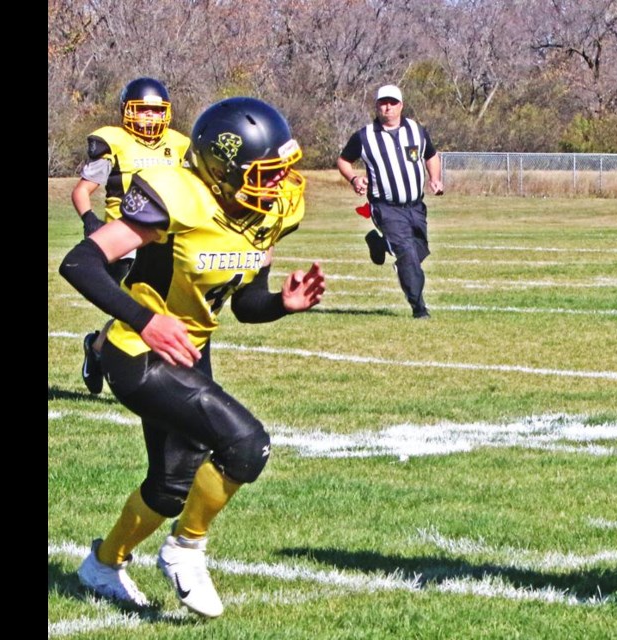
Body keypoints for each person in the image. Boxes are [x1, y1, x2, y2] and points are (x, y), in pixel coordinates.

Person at [59, 97, 325, 618]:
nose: (276, 185)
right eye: (263, 174)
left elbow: (246, 305)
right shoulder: (177, 196)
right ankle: (185, 550)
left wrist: (283, 304)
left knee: (169, 486)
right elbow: (80, 262)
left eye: (279, 173)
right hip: (137, 352)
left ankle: (103, 563)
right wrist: (144, 319)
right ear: (222, 169)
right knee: (247, 445)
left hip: (189, 353)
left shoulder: (269, 211)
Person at [72, 77, 191, 395]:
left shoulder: (179, 144)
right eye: (143, 111)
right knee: (143, 311)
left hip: (165, 241)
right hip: (124, 241)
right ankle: (120, 362)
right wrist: (89, 220)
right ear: (128, 112)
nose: (150, 118)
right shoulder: (114, 141)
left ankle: (97, 347)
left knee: (151, 312)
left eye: (156, 111)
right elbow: (83, 190)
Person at [337, 84, 444, 319]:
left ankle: (381, 245)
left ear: (401, 105)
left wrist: (435, 178)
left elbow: (432, 155)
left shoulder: (416, 131)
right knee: (406, 252)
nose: (388, 107)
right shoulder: (365, 137)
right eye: (383, 103)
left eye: (392, 103)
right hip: (385, 207)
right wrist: (354, 179)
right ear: (376, 106)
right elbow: (343, 161)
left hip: (415, 206)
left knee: (419, 251)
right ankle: (419, 307)